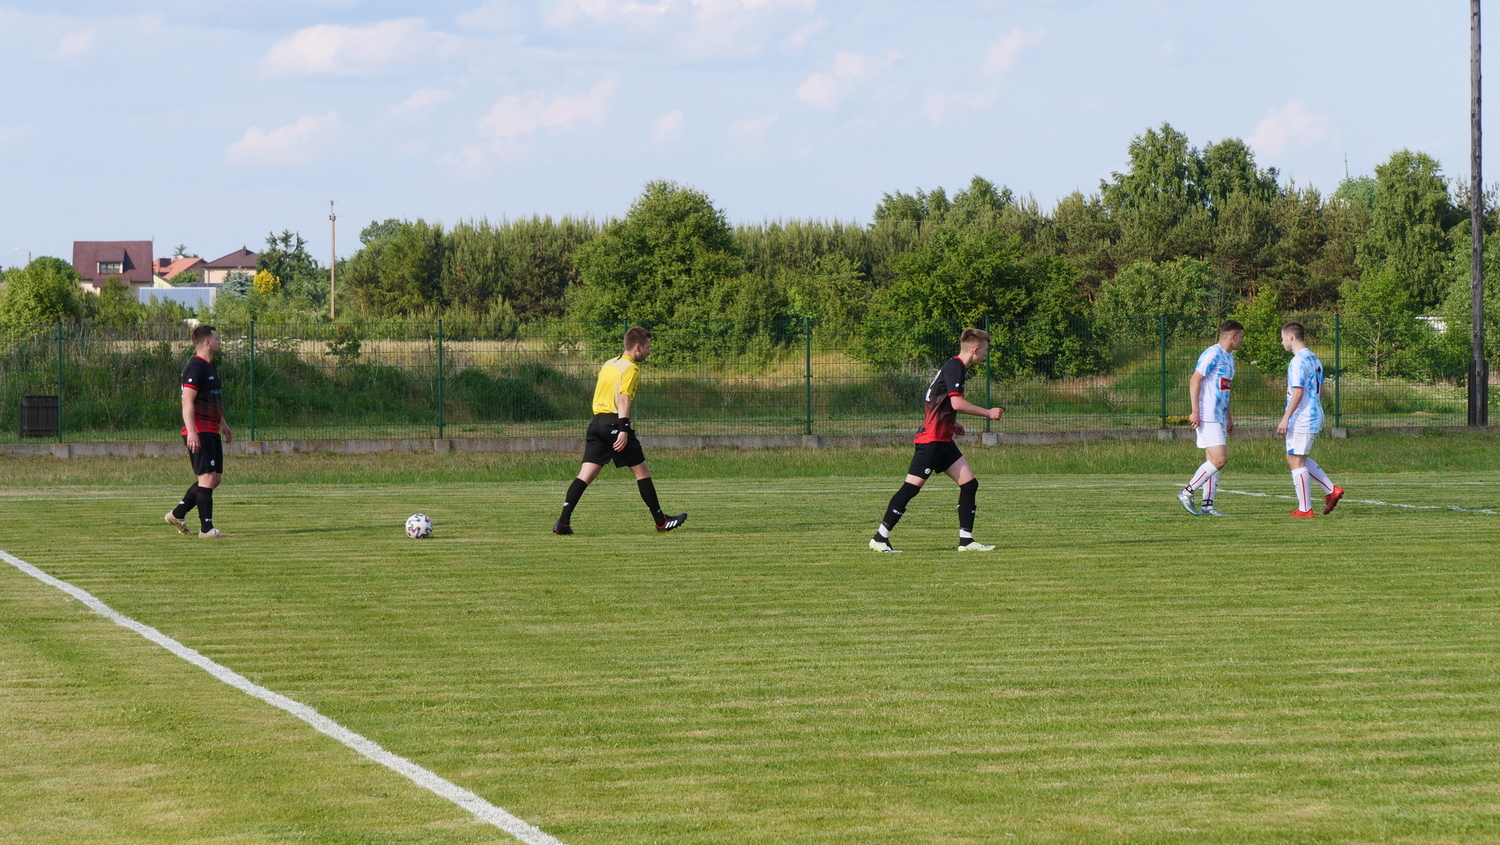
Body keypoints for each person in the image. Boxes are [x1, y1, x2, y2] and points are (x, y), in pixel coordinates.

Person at [869, 328, 1005, 553]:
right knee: (911, 488)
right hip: (931, 440)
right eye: (985, 350)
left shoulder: (954, 367)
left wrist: (951, 422)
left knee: (969, 484)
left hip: (942, 439)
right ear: (975, 350)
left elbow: (936, 400)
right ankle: (880, 538)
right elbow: (957, 403)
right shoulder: (955, 367)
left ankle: (966, 541)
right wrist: (988, 412)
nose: (986, 354)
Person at [553, 326, 687, 535]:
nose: (650, 351)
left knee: (586, 474)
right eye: (648, 347)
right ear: (637, 347)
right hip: (615, 423)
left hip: (597, 423)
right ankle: (661, 522)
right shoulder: (631, 368)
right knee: (642, 472)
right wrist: (623, 428)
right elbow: (623, 398)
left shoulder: (609, 364)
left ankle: (563, 523)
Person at [165, 325, 231, 538]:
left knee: (214, 479)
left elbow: (211, 400)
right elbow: (187, 401)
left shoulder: (209, 367)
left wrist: (223, 424)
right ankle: (206, 529)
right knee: (207, 477)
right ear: (207, 342)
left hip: (211, 429)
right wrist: (192, 432)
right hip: (200, 430)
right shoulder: (196, 367)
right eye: (217, 338)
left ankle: (177, 514)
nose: (219, 341)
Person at [1275, 321, 1344, 517]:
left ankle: (1305, 508)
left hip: (1302, 417)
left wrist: (1286, 418)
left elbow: (1298, 392)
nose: (1282, 342)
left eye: (1282, 338)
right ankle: (1331, 490)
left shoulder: (1297, 361)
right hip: (1314, 414)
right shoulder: (1314, 358)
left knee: (1296, 461)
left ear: (1290, 337)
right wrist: (1311, 404)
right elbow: (1322, 390)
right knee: (1295, 457)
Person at [1178, 320, 1244, 517]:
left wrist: (1229, 418)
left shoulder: (1229, 358)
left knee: (1213, 461)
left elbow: (1225, 390)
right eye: (1241, 337)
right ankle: (1186, 492)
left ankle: (1207, 505)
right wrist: (1195, 411)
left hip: (1219, 416)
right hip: (1207, 414)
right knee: (1220, 459)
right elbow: (1195, 380)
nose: (1242, 341)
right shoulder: (1212, 354)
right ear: (1232, 336)